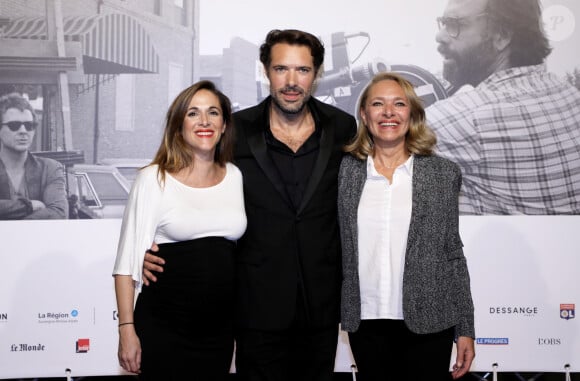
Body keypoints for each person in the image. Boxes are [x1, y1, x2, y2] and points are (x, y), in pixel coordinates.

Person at [143, 29, 357, 381]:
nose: (291, 81)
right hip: (255, 302)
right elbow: (189, 182)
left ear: (316, 75)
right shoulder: (236, 130)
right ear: (265, 71)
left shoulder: (342, 127)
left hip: (321, 303)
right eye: (280, 69)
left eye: (302, 70)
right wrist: (151, 242)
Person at [338, 72, 475, 381]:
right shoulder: (345, 172)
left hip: (430, 321)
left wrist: (465, 328)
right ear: (364, 113)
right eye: (378, 104)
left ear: (412, 113)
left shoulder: (443, 174)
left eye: (399, 104)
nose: (389, 112)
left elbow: (453, 253)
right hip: (366, 321)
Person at [112, 80, 247, 380]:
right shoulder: (153, 179)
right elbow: (125, 265)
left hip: (219, 332)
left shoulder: (236, 176)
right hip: (164, 328)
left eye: (213, 113)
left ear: (224, 125)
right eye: (193, 113)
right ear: (178, 126)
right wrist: (127, 331)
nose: (204, 121)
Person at [426, 0, 580, 214]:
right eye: (442, 23)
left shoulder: (457, 121)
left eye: (454, 24)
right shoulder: (569, 94)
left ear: (502, 35)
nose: (440, 36)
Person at [0, 93, 68, 220]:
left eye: (29, 125)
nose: (23, 131)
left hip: (36, 239)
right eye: (14, 125)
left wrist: (15, 227)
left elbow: (58, 212)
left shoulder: (50, 169)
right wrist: (29, 206)